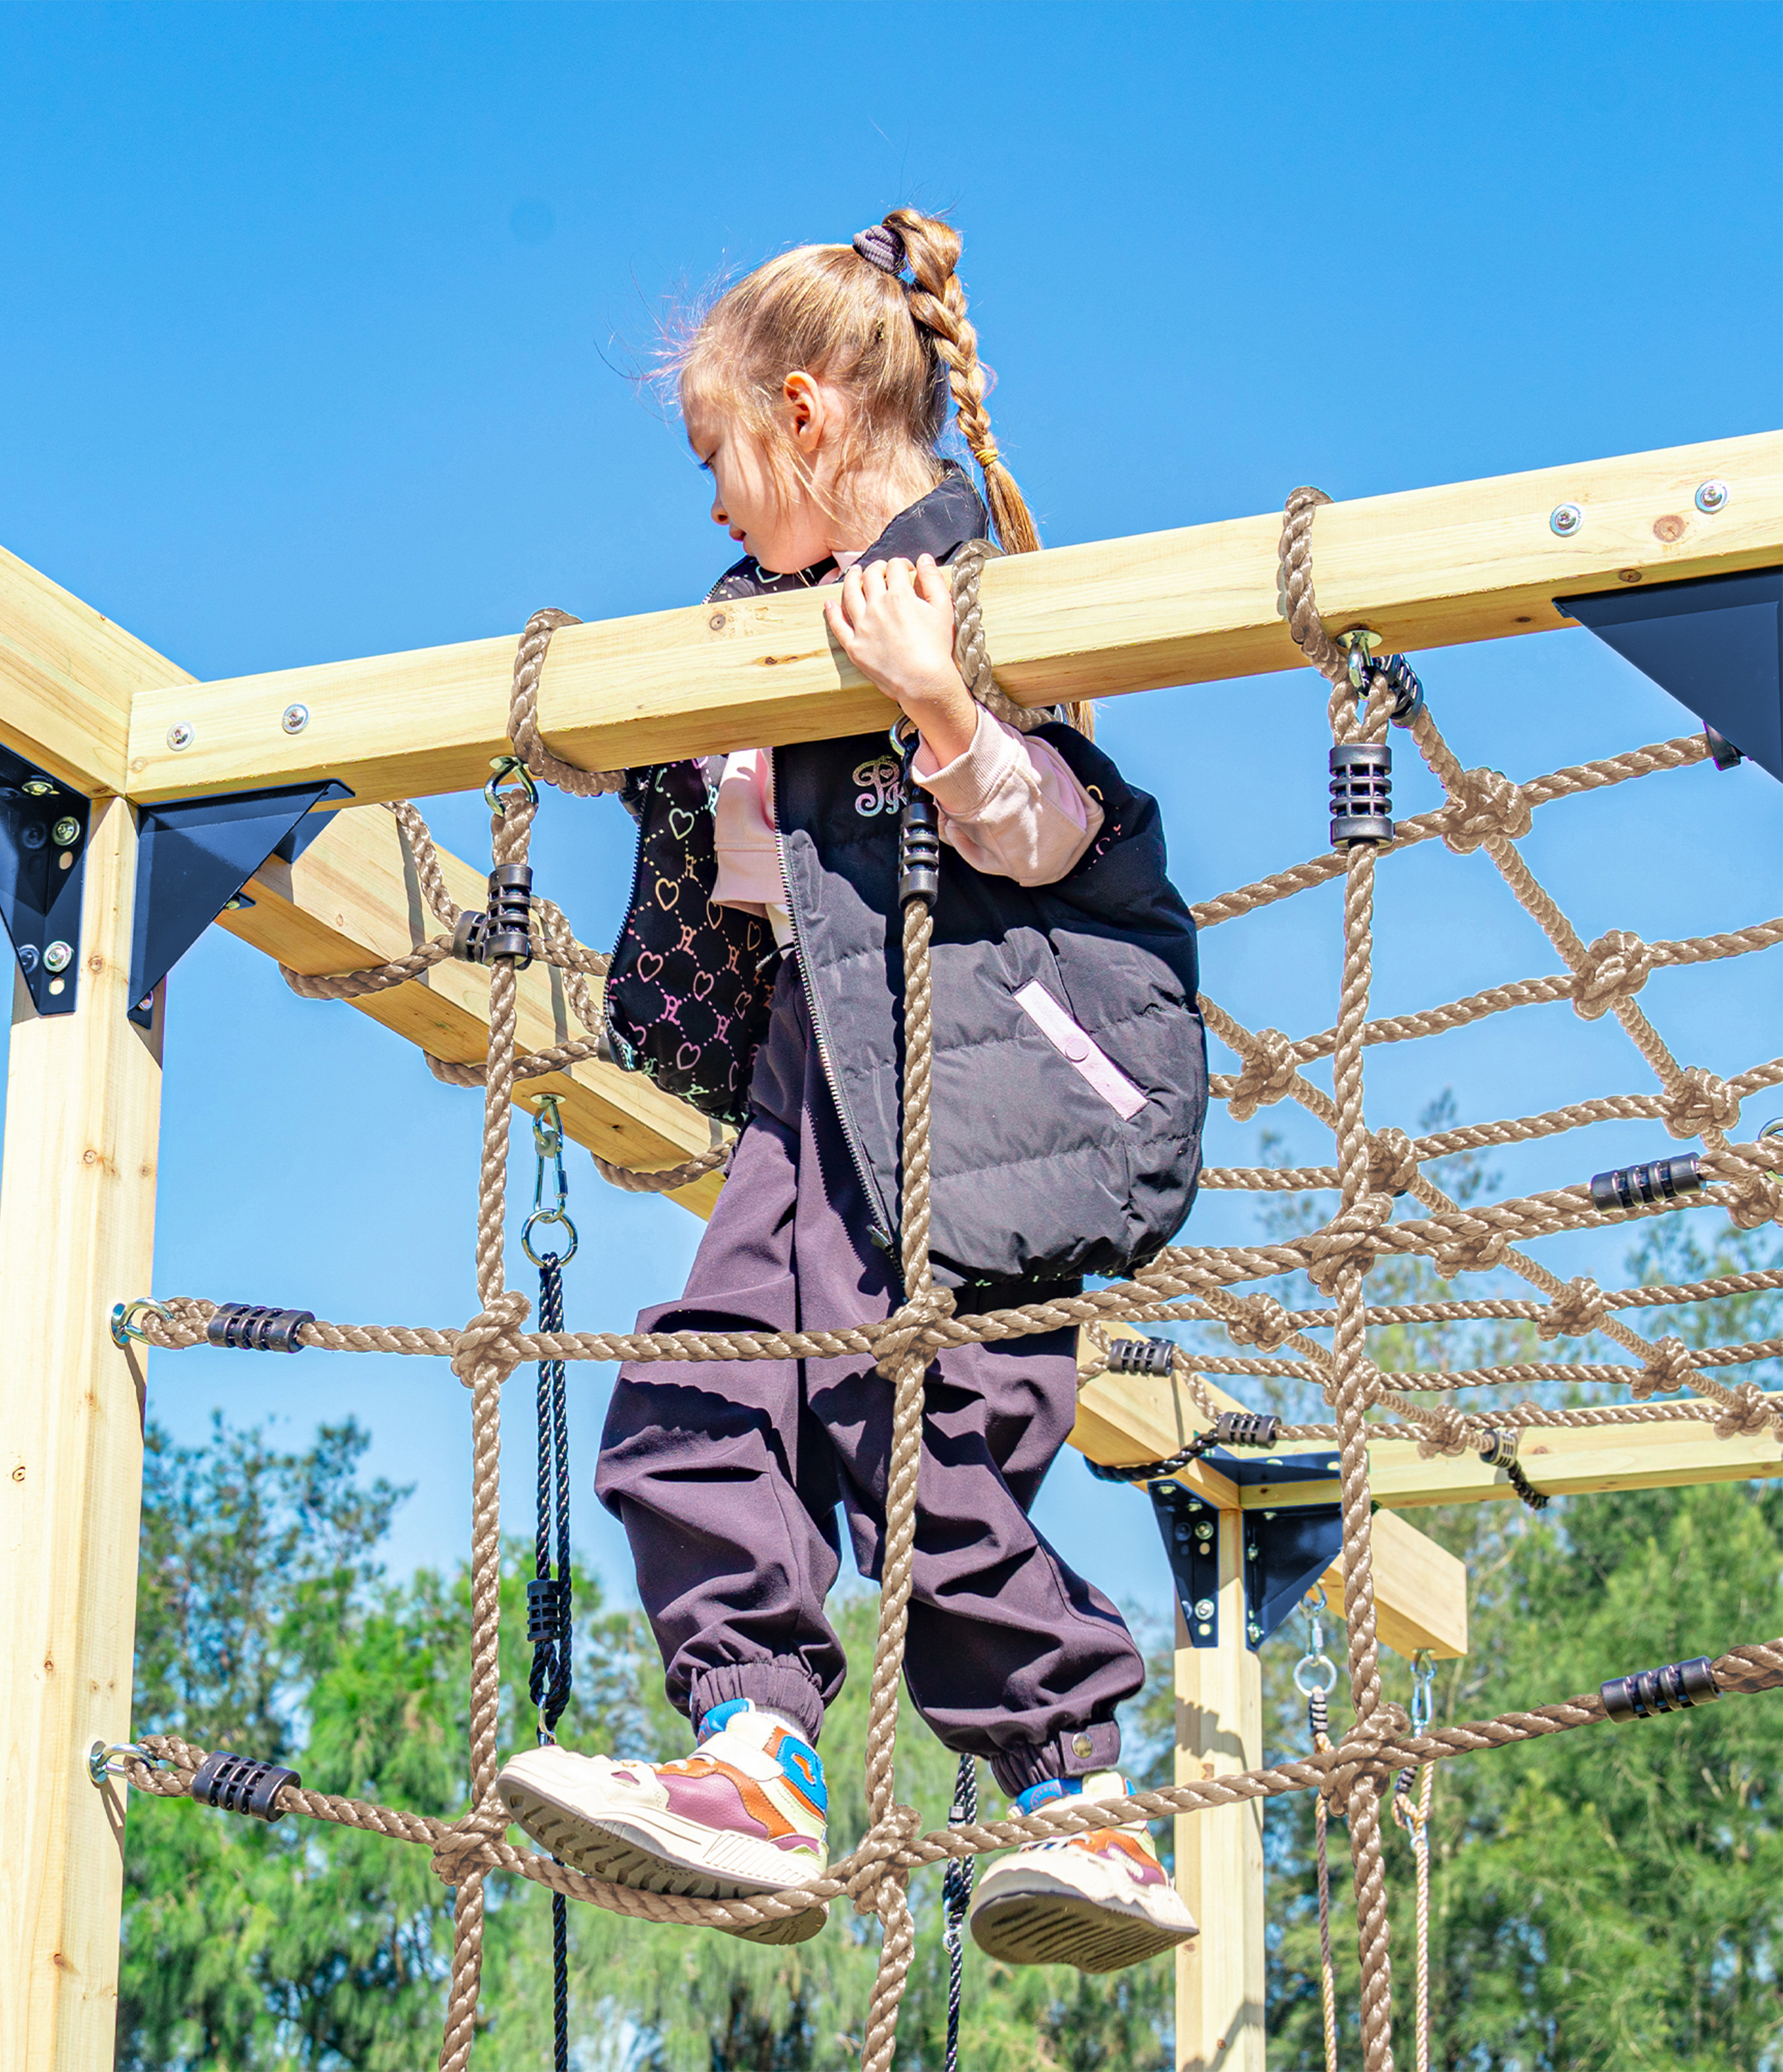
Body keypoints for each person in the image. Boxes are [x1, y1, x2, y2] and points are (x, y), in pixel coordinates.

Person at [497, 209, 1207, 1972]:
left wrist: (942, 705)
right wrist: (655, 741)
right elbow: (753, 878)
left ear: (805, 417)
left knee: (935, 1462)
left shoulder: (985, 589)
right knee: (696, 1393)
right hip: (819, 1093)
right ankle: (754, 1751)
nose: (717, 505)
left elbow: (1060, 839)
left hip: (985, 1106)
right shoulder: (757, 625)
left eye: (722, 457)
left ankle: (1083, 1807)